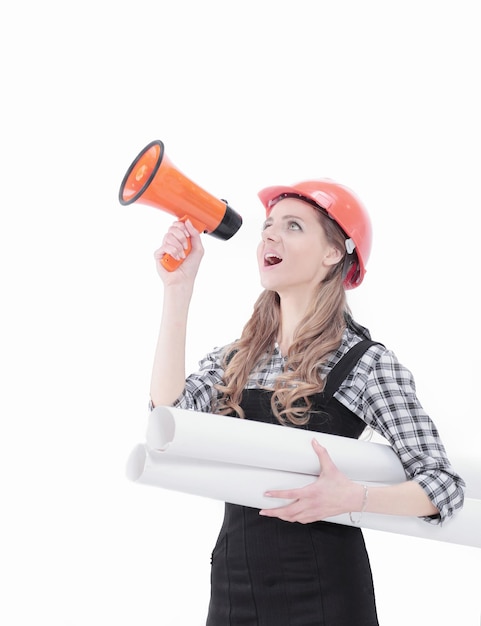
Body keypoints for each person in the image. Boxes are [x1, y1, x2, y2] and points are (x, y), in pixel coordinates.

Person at [149, 179, 465, 626]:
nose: (269, 236)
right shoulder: (237, 359)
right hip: (235, 590)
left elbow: (444, 486)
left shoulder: (365, 363)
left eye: (293, 226)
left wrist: (355, 496)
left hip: (325, 594)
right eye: (267, 226)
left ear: (333, 253)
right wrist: (177, 290)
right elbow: (168, 421)